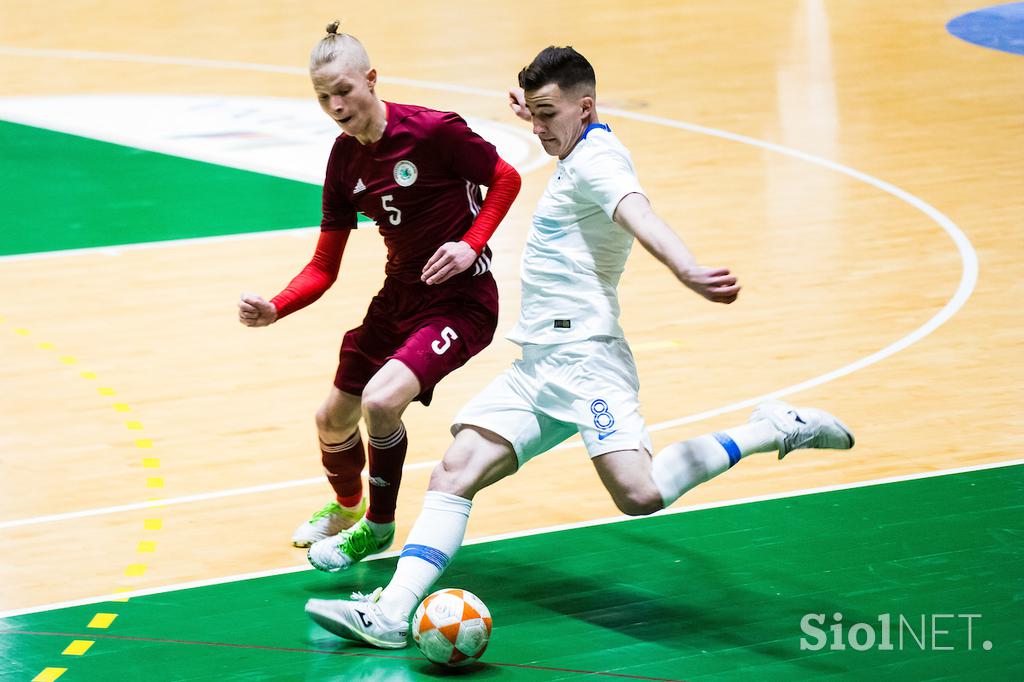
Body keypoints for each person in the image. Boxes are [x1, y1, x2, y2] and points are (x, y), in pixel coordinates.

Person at [304, 46, 854, 647]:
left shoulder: (601, 163)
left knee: (639, 494)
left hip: (588, 362)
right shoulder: (575, 143)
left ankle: (774, 428)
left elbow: (637, 212)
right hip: (538, 363)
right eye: (532, 114)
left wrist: (687, 268)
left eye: (545, 115)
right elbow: (561, 133)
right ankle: (388, 616)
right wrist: (537, 114)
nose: (535, 128)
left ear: (583, 108)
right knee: (452, 474)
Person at [237, 22, 521, 570]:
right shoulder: (344, 161)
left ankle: (378, 527)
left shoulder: (435, 132)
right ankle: (347, 506)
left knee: (381, 401)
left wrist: (470, 245)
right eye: (323, 97)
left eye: (343, 90)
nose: (336, 105)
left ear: (371, 79)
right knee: (331, 420)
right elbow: (324, 266)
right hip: (398, 300)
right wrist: (277, 306)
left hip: (463, 301)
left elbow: (506, 179)